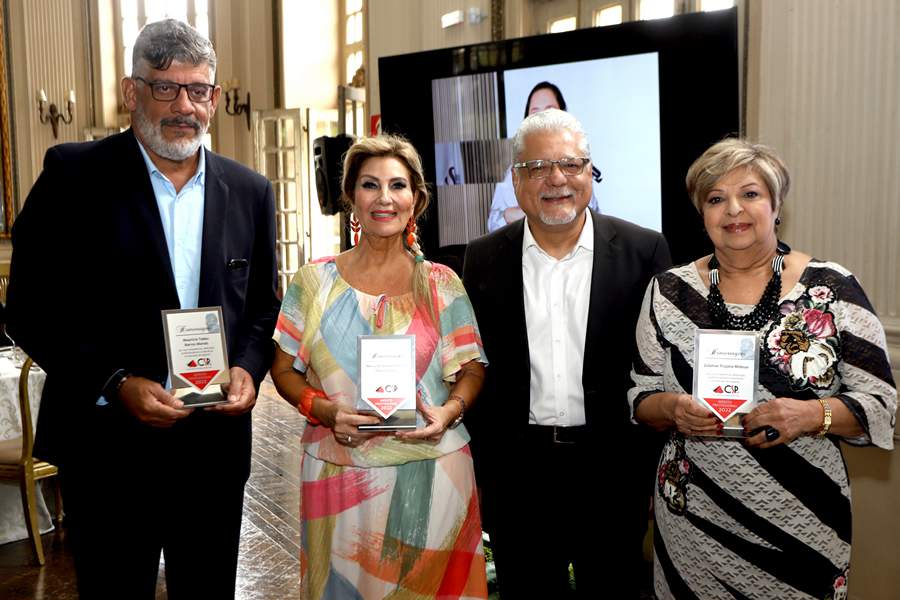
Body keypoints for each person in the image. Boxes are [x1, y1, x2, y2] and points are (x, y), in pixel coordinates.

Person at [6, 19, 278, 599]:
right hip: (109, 448)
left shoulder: (250, 191)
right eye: (166, 88)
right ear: (132, 92)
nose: (184, 106)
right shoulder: (73, 175)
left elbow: (262, 310)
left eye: (198, 89)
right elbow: (27, 306)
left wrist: (248, 371)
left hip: (213, 452)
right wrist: (114, 379)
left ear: (215, 97)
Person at [628, 139, 897, 599]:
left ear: (776, 206)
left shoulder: (832, 288)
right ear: (702, 212)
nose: (733, 209)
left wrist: (810, 416)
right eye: (716, 198)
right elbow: (639, 398)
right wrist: (673, 407)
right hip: (694, 521)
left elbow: (882, 405)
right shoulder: (668, 292)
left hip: (802, 522)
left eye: (750, 194)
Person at [271, 134, 489, 599]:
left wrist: (449, 411)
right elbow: (283, 371)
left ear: (417, 199)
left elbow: (472, 369)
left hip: (434, 474)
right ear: (350, 196)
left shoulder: (442, 283)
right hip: (339, 473)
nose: (385, 198)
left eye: (398, 185)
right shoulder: (314, 282)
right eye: (370, 185)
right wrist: (324, 410)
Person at [464, 109, 671, 598]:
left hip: (612, 472)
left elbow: (662, 367)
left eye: (571, 165)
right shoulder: (482, 257)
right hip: (519, 476)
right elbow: (476, 367)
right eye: (538, 168)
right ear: (517, 181)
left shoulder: (644, 251)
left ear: (589, 173)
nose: (556, 179)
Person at [487, 82, 601, 232]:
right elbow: (494, 225)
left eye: (550, 111)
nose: (542, 120)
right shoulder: (514, 174)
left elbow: (592, 220)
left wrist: (526, 214)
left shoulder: (579, 168)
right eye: (535, 113)